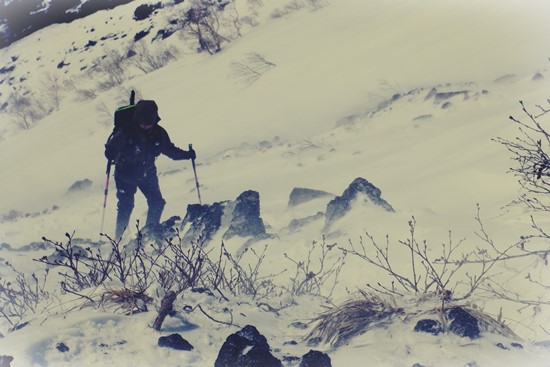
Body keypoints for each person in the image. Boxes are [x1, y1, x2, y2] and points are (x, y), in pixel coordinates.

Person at [105, 100, 196, 239]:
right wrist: (111, 152)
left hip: (147, 173)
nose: (146, 126)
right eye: (142, 122)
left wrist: (187, 155)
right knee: (126, 205)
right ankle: (119, 239)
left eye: (149, 123)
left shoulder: (158, 132)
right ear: (137, 119)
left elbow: (169, 150)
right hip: (125, 175)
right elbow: (110, 150)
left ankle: (149, 234)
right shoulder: (126, 131)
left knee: (157, 202)